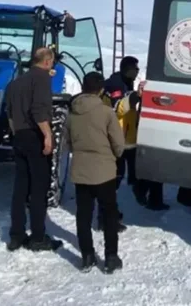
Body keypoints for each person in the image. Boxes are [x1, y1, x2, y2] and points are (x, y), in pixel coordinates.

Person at [4, 47, 64, 252]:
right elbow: (38, 110)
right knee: (39, 188)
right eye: (52, 61)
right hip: (35, 136)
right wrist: (47, 135)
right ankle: (38, 237)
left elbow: (10, 114)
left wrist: (16, 134)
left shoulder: (14, 83)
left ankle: (16, 235)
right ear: (47, 61)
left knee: (20, 187)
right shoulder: (41, 79)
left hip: (19, 136)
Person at [65, 71, 125, 273]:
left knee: (83, 214)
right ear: (100, 90)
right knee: (109, 214)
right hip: (104, 170)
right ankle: (110, 257)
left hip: (81, 169)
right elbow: (118, 144)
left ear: (83, 87)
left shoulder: (72, 112)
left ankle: (87, 256)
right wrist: (114, 156)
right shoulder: (106, 112)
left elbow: (67, 143)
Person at [104, 56, 170, 212]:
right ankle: (107, 211)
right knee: (116, 177)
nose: (137, 72)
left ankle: (144, 194)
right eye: (136, 69)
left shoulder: (127, 82)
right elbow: (118, 107)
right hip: (118, 138)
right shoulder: (115, 84)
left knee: (140, 170)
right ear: (127, 69)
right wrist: (136, 96)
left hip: (129, 138)